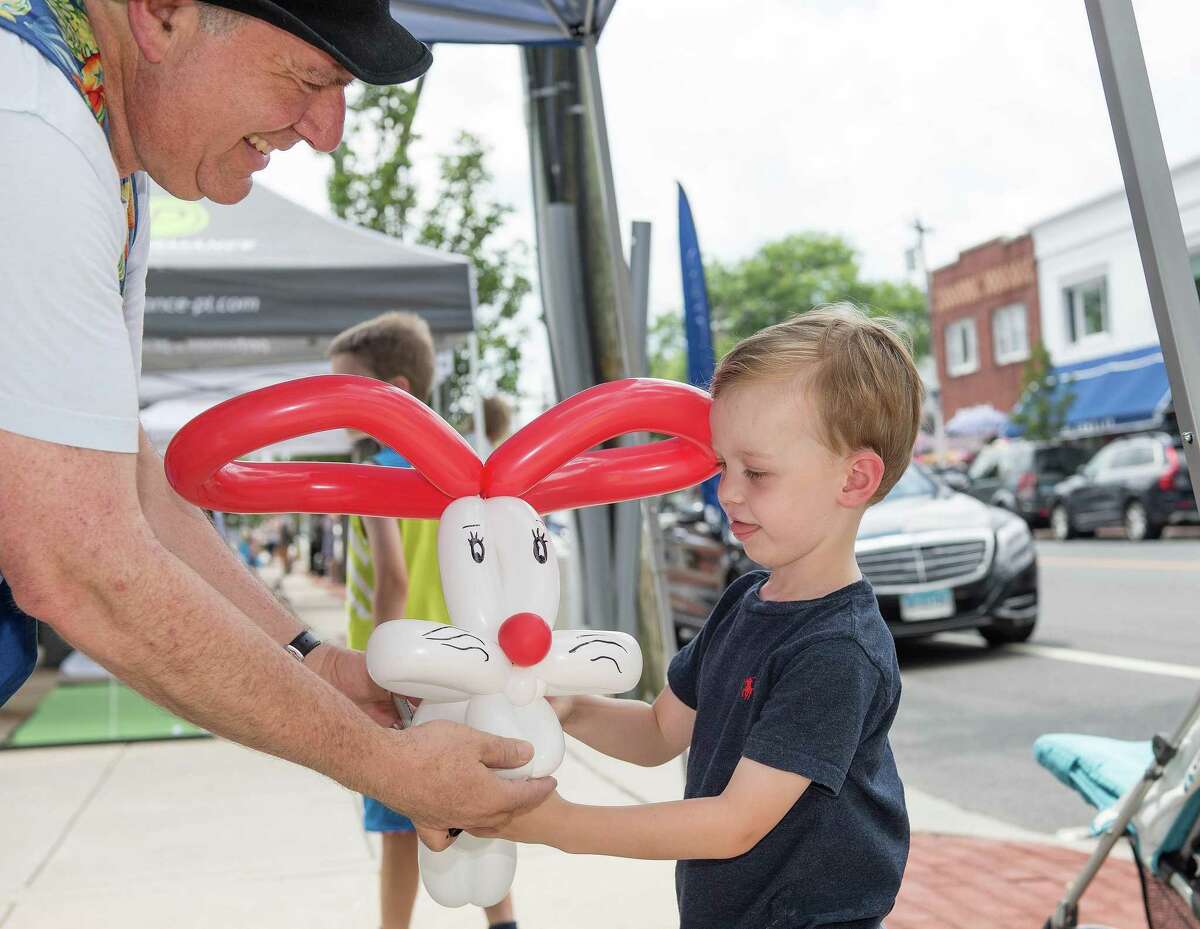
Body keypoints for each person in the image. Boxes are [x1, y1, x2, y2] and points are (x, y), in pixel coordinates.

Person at [0, 0, 553, 851]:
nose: (327, 131)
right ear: (164, 14)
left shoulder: (102, 134)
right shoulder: (29, 129)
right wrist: (384, 764)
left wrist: (309, 657)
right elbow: (82, 561)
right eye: (306, 78)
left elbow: (126, 474)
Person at [476, 306, 923, 929]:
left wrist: (564, 826)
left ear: (855, 478)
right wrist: (568, 708)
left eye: (757, 472)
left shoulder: (836, 651)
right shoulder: (746, 602)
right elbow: (660, 731)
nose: (728, 493)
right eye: (724, 468)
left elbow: (734, 823)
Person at [330, 312, 519, 929]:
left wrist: (380, 672)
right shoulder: (456, 470)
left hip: (402, 676)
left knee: (396, 828)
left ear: (397, 390)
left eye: (347, 389)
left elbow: (394, 579)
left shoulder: (371, 475)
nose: (334, 405)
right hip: (465, 668)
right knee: (477, 814)